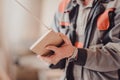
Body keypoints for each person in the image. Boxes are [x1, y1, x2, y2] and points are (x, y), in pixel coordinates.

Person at [38, 0, 120, 80]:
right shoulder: (64, 5)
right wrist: (53, 58)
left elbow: (117, 56)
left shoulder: (116, 5)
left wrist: (75, 54)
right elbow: (60, 56)